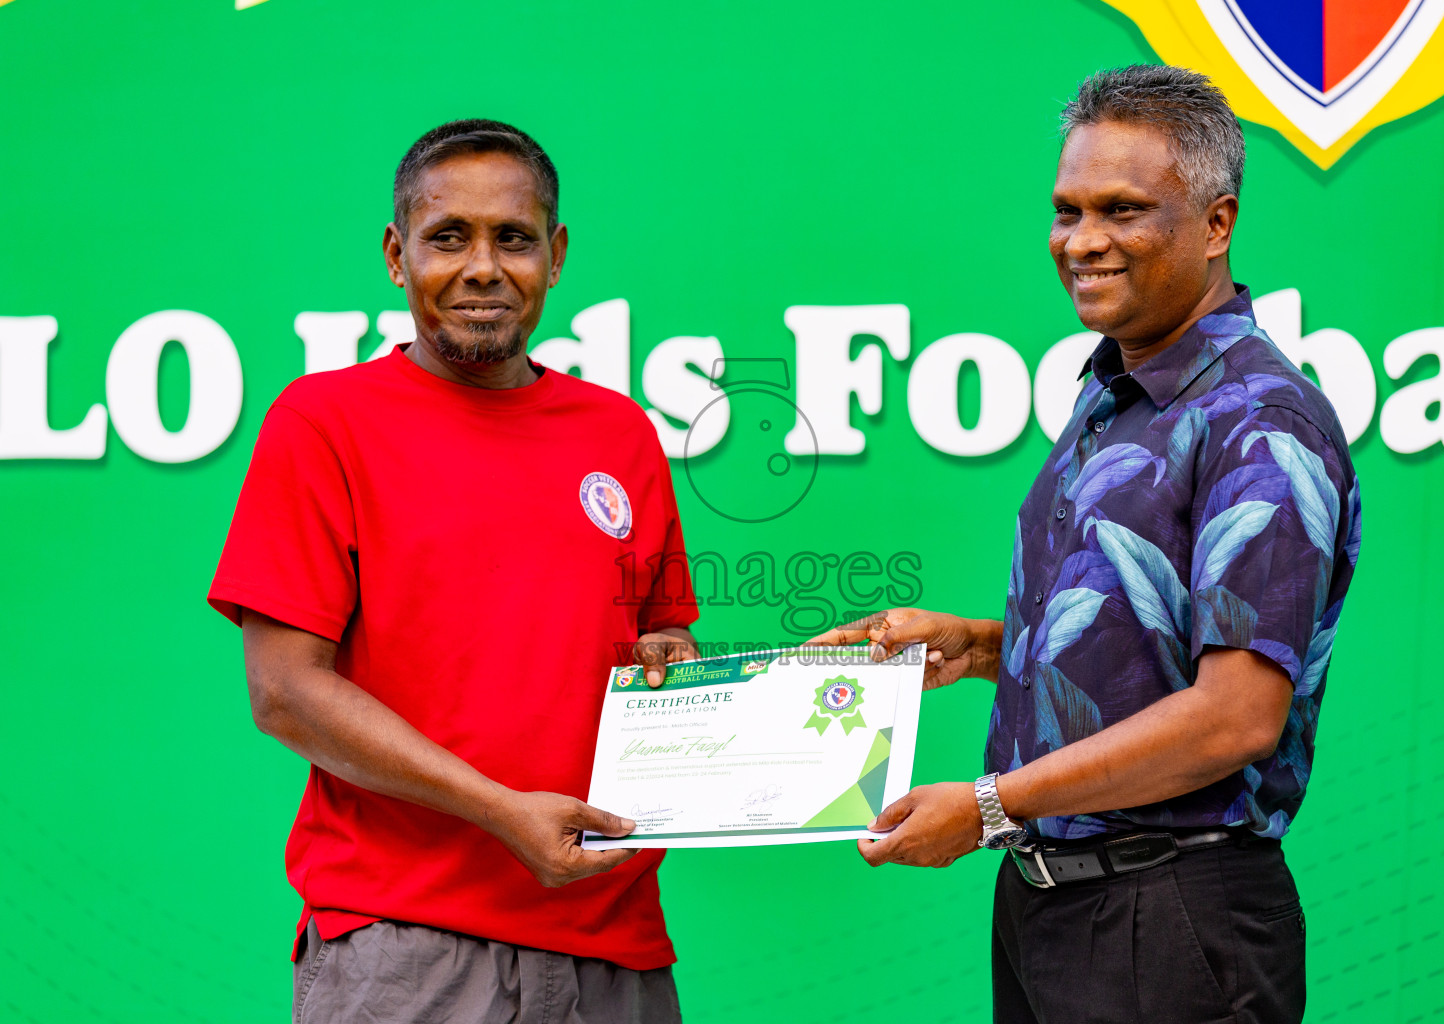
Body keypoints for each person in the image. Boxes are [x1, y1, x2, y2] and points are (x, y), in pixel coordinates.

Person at [813, 66, 1361, 1023]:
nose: (1083, 242)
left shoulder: (1262, 421)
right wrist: (981, 648)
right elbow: (1153, 644)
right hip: (1050, 905)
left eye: (1123, 210)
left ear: (1217, 225)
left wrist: (989, 803)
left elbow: (1234, 718)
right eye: (1067, 211)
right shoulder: (1112, 393)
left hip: (1174, 919)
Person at [208, 119, 698, 1023]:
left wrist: (672, 664)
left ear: (555, 255)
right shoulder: (325, 423)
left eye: (512, 238)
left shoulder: (618, 432)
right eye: (448, 237)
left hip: (614, 946)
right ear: (397, 256)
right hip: (406, 950)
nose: (482, 267)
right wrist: (501, 811)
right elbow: (283, 691)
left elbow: (661, 635)